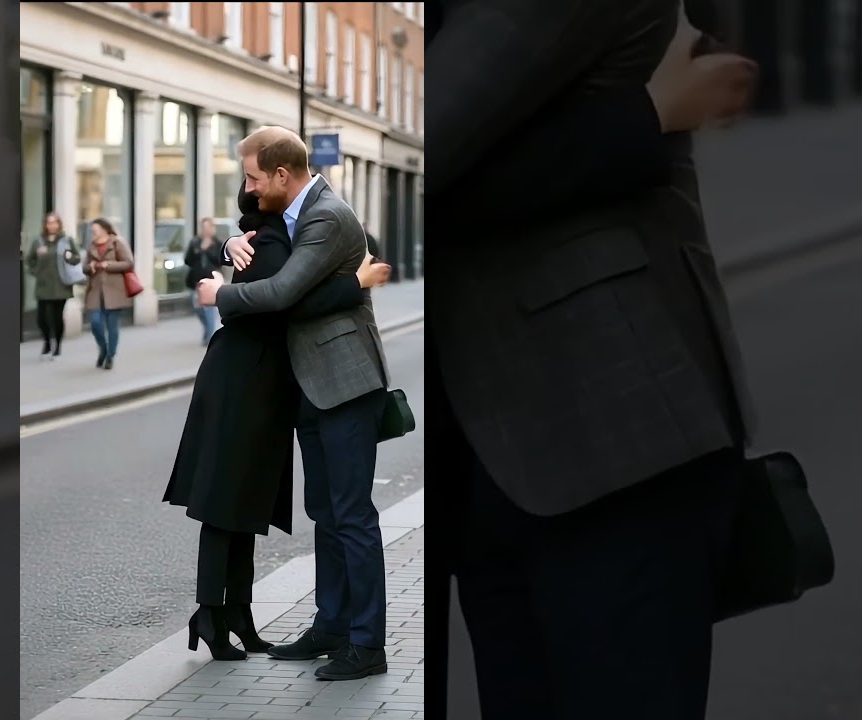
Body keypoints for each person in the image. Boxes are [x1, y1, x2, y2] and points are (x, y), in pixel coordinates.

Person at [419, 3, 759, 718]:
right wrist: (643, 116)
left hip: (600, 440)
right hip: (511, 444)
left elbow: (417, 152)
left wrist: (640, 121)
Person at [196, 126, 391, 682]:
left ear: (283, 174)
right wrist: (239, 238)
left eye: (254, 177)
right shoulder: (293, 213)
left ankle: (366, 643)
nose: (249, 186)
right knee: (326, 514)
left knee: (352, 516)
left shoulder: (326, 216)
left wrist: (220, 295)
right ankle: (332, 624)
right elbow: (277, 264)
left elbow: (283, 293)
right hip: (312, 383)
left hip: (345, 383)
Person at [27, 211, 81, 359]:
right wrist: (36, 271)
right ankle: (46, 342)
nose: (52, 225)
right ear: (45, 225)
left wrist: (69, 255)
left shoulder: (66, 240)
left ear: (59, 224)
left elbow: (77, 259)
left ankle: (57, 346)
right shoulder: (38, 241)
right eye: (49, 222)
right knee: (41, 319)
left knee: (57, 318)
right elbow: (29, 261)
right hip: (43, 286)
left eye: (54, 222)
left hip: (60, 285)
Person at [82, 218, 133, 370]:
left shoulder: (117, 243)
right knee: (95, 323)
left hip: (114, 290)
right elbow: (84, 267)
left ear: (104, 229)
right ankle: (103, 348)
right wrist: (89, 267)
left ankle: (110, 356)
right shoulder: (91, 246)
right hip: (95, 290)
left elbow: (129, 263)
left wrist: (108, 265)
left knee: (112, 326)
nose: (93, 233)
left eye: (95, 230)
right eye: (92, 231)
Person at [183, 218, 222, 345]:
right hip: (195, 281)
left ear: (212, 229)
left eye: (208, 228)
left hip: (210, 281)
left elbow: (219, 261)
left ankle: (209, 338)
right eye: (203, 228)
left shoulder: (217, 243)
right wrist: (200, 250)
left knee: (209, 309)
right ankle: (207, 330)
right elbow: (188, 260)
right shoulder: (195, 242)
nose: (205, 231)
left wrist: (208, 250)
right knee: (198, 309)